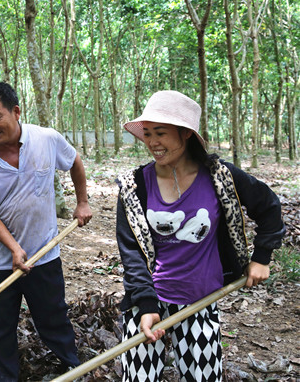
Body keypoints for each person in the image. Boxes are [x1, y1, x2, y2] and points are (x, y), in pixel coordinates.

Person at [115, 90, 285, 381]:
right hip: (148, 299)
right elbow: (131, 252)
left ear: (185, 134)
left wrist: (261, 258)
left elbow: (269, 208)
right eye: (147, 134)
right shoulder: (134, 187)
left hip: (200, 300)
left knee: (204, 377)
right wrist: (145, 305)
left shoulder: (220, 177)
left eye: (161, 133)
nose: (152, 142)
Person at [0, 82, 92, 381]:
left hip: (45, 253)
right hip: (1, 261)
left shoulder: (46, 139)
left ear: (16, 111)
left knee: (53, 317)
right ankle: (5, 377)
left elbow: (74, 161)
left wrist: (82, 202)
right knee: (0, 327)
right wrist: (13, 248)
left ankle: (72, 367)